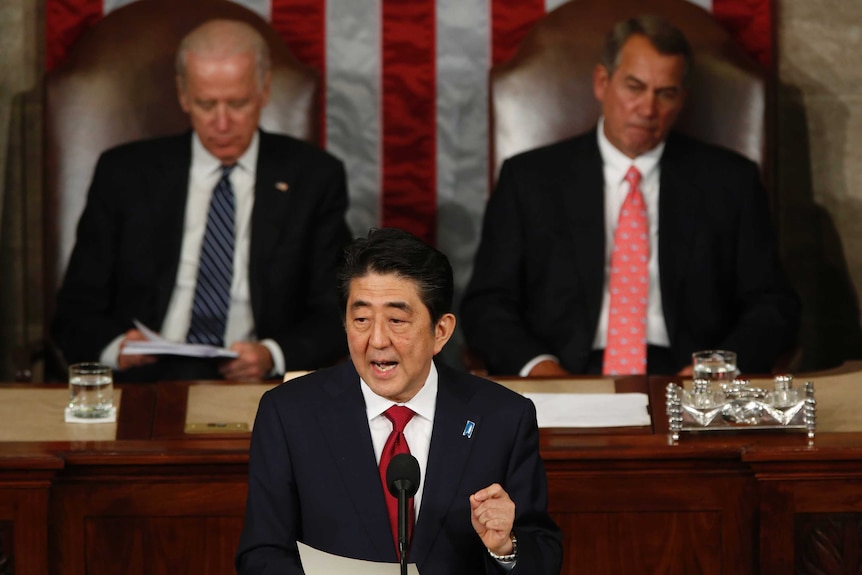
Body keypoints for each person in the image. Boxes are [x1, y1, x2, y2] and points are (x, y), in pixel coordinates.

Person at [461, 15, 800, 377]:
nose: (648, 109)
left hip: (689, 375)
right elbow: (487, 305)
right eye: (634, 87)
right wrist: (538, 368)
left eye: (665, 93)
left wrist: (715, 368)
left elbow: (772, 305)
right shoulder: (529, 179)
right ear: (602, 82)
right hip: (565, 371)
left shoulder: (731, 182)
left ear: (682, 99)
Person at [235, 228, 562, 575]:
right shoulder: (289, 414)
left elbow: (542, 555)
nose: (376, 339)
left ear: (441, 332)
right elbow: (261, 555)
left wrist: (505, 548)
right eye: (361, 319)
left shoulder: (503, 417)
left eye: (396, 320)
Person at [51, 19, 351, 381]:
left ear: (264, 90)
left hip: (259, 384)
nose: (222, 123)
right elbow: (75, 309)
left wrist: (273, 355)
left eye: (237, 103)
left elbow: (338, 311)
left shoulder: (314, 178)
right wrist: (115, 348)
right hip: (145, 382)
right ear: (183, 95)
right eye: (206, 104)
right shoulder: (124, 174)